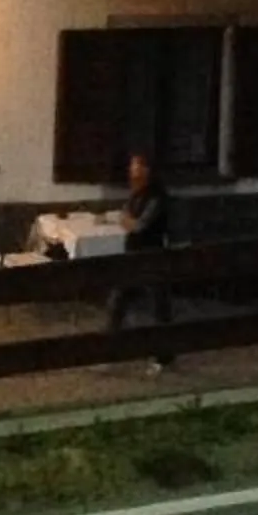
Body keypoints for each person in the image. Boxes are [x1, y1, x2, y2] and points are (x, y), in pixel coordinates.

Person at [105, 150, 174, 369]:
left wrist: (127, 220)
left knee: (158, 306)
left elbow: (139, 225)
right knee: (117, 302)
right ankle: (108, 351)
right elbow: (125, 216)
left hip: (152, 256)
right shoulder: (137, 193)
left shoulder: (156, 197)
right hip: (133, 255)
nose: (131, 169)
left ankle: (164, 355)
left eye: (135, 166)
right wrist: (126, 220)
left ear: (146, 170)